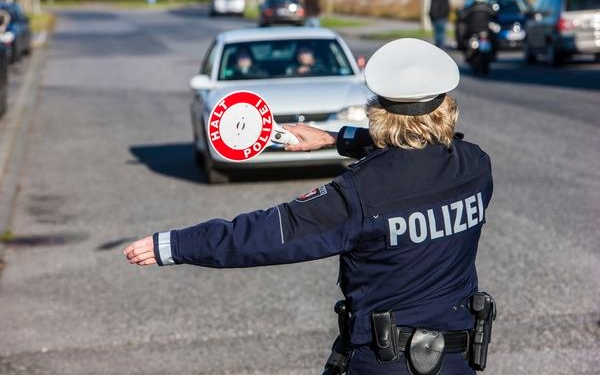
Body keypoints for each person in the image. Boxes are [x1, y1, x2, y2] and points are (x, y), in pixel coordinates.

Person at [124, 39, 494, 375]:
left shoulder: (359, 194)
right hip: (456, 362)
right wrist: (334, 138)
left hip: (383, 364)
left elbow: (263, 236)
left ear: (379, 111)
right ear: (444, 104)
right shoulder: (475, 166)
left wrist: (174, 245)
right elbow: (416, 156)